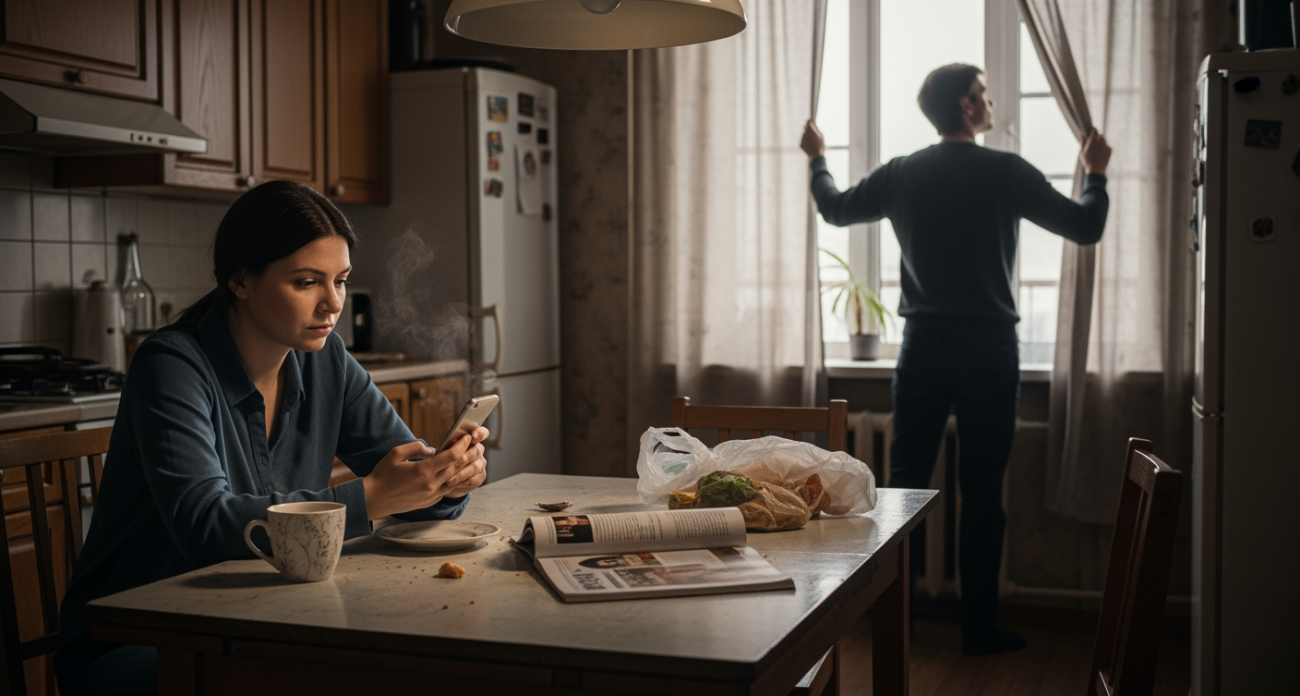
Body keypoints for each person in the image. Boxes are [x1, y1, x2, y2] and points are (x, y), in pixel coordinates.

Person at [54, 181, 490, 695]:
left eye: (341, 281)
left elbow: (410, 489)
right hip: (142, 639)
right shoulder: (171, 366)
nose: (333, 304)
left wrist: (445, 482)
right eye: (307, 282)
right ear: (240, 279)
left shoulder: (327, 360)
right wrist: (373, 496)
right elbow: (206, 528)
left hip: (263, 616)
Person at [801, 64, 1111, 655]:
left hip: (922, 348)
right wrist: (1095, 174)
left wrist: (818, 158)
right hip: (990, 349)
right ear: (968, 106)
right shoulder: (1007, 171)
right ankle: (977, 631)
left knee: (903, 490)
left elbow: (835, 210)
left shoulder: (902, 173)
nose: (993, 102)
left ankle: (895, 622)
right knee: (982, 495)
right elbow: (1085, 225)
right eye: (986, 93)